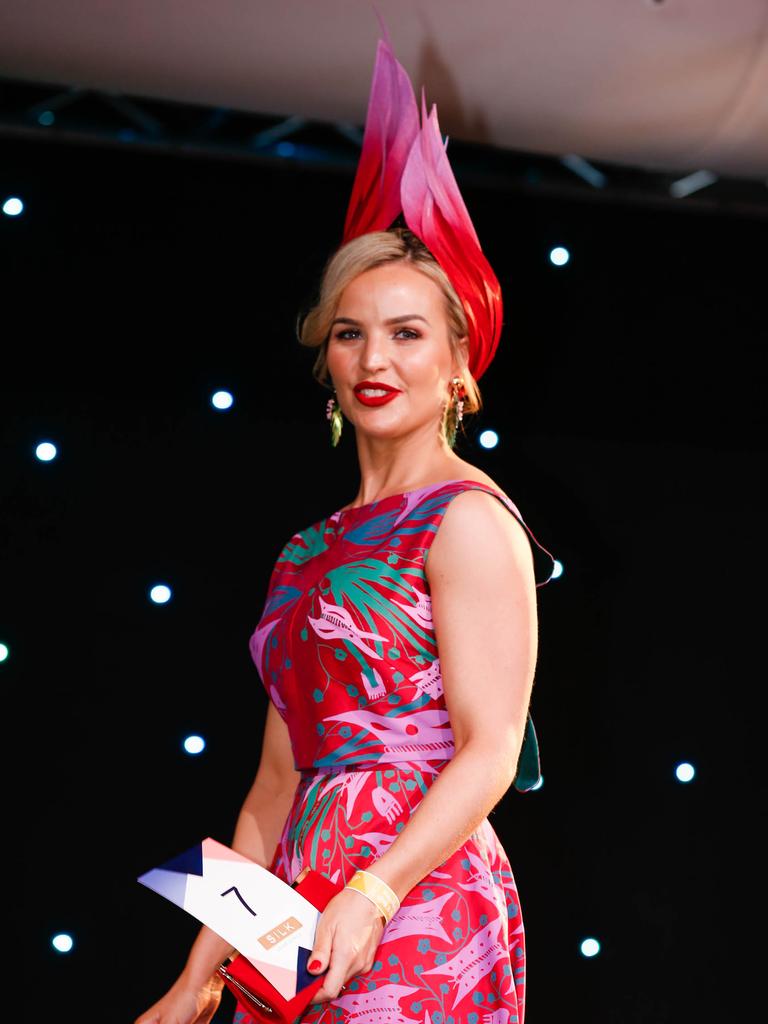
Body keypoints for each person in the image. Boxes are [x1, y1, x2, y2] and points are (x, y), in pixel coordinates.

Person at [134, 25, 556, 1024]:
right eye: (351, 332)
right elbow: (272, 789)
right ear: (325, 360)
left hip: (420, 897)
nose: (376, 357)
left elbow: (492, 748)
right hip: (292, 907)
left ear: (459, 364)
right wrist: (197, 972)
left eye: (409, 332)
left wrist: (376, 889)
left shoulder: (468, 520)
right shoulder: (306, 551)